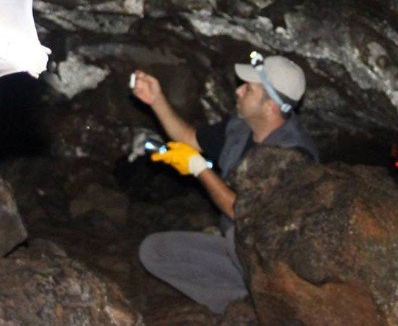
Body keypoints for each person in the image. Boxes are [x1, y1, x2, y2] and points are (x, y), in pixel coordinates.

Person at [131, 52, 319, 314]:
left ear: (270, 106)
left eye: (249, 88)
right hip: (239, 254)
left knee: (233, 235)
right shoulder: (241, 128)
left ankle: (265, 305)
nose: (239, 91)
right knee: (154, 251)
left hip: (275, 265)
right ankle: (243, 304)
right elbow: (188, 138)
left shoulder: (293, 156)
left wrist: (198, 167)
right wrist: (156, 100)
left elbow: (241, 212)